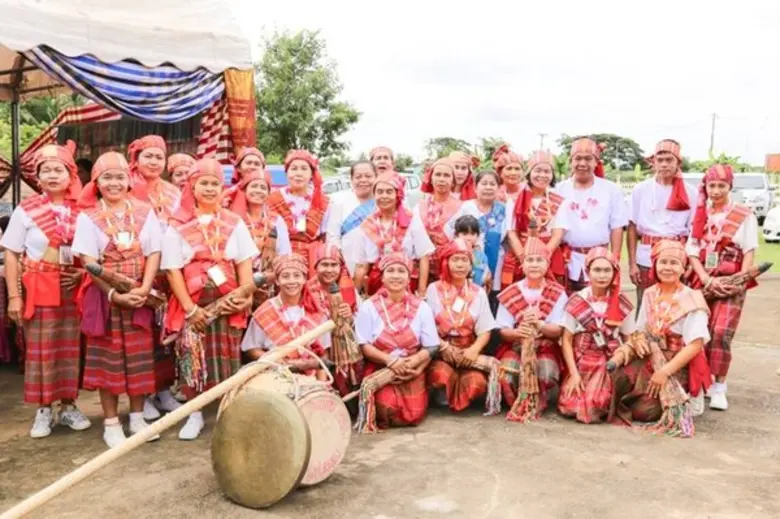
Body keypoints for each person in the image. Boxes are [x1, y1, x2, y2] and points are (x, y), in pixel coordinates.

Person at [162, 158, 258, 440]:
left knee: (226, 356)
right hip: (193, 301)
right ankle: (194, 413)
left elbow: (244, 262)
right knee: (194, 357)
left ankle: (228, 412)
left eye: (215, 183)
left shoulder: (233, 222)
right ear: (192, 186)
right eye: (203, 183)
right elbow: (172, 270)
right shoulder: (177, 224)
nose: (209, 188)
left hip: (229, 299)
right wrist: (190, 309)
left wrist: (245, 296)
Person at [72, 152, 163, 448]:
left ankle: (137, 417)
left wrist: (144, 288)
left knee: (139, 359)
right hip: (106, 298)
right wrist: (113, 294)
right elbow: (88, 261)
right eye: (106, 177)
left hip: (138, 293)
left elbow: (153, 253)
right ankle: (111, 423)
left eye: (119, 177)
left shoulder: (144, 211)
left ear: (129, 181)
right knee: (107, 361)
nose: (114, 183)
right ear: (96, 182)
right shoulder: (88, 217)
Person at [1, 142, 90, 438]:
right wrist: (14, 296)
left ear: (71, 174)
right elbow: (12, 252)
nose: (53, 175)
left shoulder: (82, 210)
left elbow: (91, 252)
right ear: (37, 178)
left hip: (71, 289)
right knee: (41, 350)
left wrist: (80, 273)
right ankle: (43, 409)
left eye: (59, 170)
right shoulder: (26, 210)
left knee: (70, 348)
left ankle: (68, 406)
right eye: (46, 170)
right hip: (38, 288)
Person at [610, 240, 711, 432]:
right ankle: (639, 392)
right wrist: (638, 341)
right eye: (663, 262)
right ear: (655, 265)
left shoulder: (692, 299)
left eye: (674, 263)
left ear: (684, 269)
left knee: (644, 412)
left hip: (677, 363)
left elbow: (695, 345)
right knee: (613, 381)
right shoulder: (649, 293)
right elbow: (640, 330)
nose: (667, 267)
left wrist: (664, 372)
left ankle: (685, 396)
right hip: (650, 356)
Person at [686, 164, 759, 411]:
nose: (716, 191)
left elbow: (749, 250)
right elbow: (692, 251)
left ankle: (719, 386)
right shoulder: (699, 213)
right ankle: (703, 381)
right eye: (712, 186)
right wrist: (705, 278)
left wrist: (739, 281)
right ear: (705, 187)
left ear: (730, 187)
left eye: (722, 186)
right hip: (703, 278)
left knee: (721, 333)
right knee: (700, 331)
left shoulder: (744, 215)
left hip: (732, 280)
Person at [126, 135, 184, 421]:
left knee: (167, 333)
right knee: (141, 335)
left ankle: (163, 389)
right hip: (137, 271)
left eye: (158, 157)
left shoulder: (174, 192)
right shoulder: (125, 187)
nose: (153, 161)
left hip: (167, 273)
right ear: (135, 158)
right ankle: (143, 394)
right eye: (147, 156)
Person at [355, 252, 439, 428]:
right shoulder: (368, 307)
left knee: (413, 415)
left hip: (411, 366)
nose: (395, 275)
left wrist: (414, 363)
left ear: (409, 278)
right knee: (386, 407)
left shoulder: (422, 307)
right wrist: (390, 361)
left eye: (401, 271)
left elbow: (431, 346)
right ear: (382, 278)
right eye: (390, 271)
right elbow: (364, 345)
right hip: (381, 366)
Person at [557, 247, 635, 424]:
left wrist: (619, 359)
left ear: (614, 273)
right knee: (569, 406)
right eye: (597, 270)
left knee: (595, 405)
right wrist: (574, 374)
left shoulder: (622, 302)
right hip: (582, 358)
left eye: (607, 270)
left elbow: (629, 340)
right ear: (588, 272)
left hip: (609, 360)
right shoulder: (577, 300)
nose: (602, 275)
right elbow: (566, 340)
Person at [495, 238, 568, 416]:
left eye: (539, 260)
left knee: (546, 373)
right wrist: (518, 332)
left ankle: (538, 403)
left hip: (544, 346)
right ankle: (517, 403)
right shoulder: (511, 292)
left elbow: (558, 330)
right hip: (517, 346)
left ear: (547, 264)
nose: (534, 265)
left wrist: (540, 325)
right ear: (522, 264)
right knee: (506, 373)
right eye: (530, 260)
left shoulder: (557, 292)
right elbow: (502, 331)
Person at [426, 238, 496, 412]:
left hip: (469, 350)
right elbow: (426, 327)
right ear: (446, 262)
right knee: (439, 376)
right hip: (441, 350)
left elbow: (485, 329)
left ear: (471, 265)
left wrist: (474, 350)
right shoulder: (433, 289)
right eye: (455, 260)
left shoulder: (478, 293)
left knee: (476, 384)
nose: (460, 265)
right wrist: (443, 347)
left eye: (464, 260)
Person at [628, 139, 696, 308]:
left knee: (675, 306)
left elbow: (694, 232)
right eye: (660, 160)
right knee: (645, 305)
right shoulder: (640, 190)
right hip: (646, 257)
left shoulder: (691, 192)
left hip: (676, 259)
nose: (664, 165)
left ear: (678, 163)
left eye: (669, 160)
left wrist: (691, 263)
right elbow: (632, 227)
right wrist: (632, 264)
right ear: (654, 163)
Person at [241, 254, 331, 379]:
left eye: (297, 275)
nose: (291, 281)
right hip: (274, 377)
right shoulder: (266, 311)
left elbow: (322, 354)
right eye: (285, 276)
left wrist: (322, 386)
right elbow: (251, 349)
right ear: (277, 281)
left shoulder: (315, 310)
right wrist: (278, 363)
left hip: (311, 380)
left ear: (304, 279)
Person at [557, 137, 628, 294]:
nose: (582, 163)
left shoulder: (611, 189)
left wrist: (614, 260)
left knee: (598, 307)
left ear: (596, 162)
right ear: (571, 161)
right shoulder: (559, 189)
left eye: (588, 159)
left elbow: (617, 227)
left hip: (600, 261)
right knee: (568, 308)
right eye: (578, 158)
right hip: (567, 259)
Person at [353, 171, 435, 297]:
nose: (384, 196)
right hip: (376, 285)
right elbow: (361, 265)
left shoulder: (411, 220)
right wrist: (356, 296)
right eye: (379, 192)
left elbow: (423, 256)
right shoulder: (368, 224)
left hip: (406, 284)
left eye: (389, 192)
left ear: (398, 194)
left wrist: (421, 291)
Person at [504, 150, 569, 289]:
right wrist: (524, 257)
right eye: (538, 170)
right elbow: (511, 232)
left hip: (549, 254)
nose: (542, 175)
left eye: (547, 171)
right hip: (521, 252)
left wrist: (543, 258)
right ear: (529, 173)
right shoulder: (515, 199)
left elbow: (558, 234)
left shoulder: (558, 201)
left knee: (550, 294)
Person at [446, 171, 510, 308]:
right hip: (468, 262)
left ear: (498, 188)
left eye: (492, 184)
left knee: (491, 297)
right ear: (475, 187)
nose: (488, 187)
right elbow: (449, 230)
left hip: (497, 262)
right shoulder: (466, 207)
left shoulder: (503, 210)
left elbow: (510, 234)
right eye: (484, 183)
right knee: (466, 297)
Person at [228, 168, 292, 305]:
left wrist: (269, 276)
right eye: (254, 186)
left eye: (263, 187)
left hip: (268, 284)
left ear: (269, 193)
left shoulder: (276, 220)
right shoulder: (232, 218)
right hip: (238, 283)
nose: (258, 190)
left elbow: (285, 255)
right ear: (244, 190)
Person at [267, 150, 330, 267]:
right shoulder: (272, 199)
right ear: (286, 172)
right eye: (294, 168)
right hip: (279, 258)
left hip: (313, 259)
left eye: (304, 169)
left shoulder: (323, 201)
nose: (298, 173)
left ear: (312, 174)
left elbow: (326, 236)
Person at [325, 161, 378, 275]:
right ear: (351, 179)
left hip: (376, 265)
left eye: (368, 176)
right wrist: (339, 257)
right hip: (346, 263)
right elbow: (333, 235)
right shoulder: (339, 202)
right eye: (358, 177)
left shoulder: (381, 202)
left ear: (376, 177)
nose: (363, 180)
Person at [414, 158, 462, 281]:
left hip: (451, 270)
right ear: (431, 178)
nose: (441, 179)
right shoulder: (418, 207)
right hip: (421, 269)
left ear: (453, 181)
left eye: (446, 175)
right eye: (438, 174)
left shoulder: (463, 208)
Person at [453, 215, 492, 290]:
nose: (469, 238)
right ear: (456, 235)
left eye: (473, 234)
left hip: (477, 291)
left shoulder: (480, 255)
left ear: (478, 235)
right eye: (465, 234)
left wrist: (486, 280)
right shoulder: (453, 254)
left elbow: (486, 274)